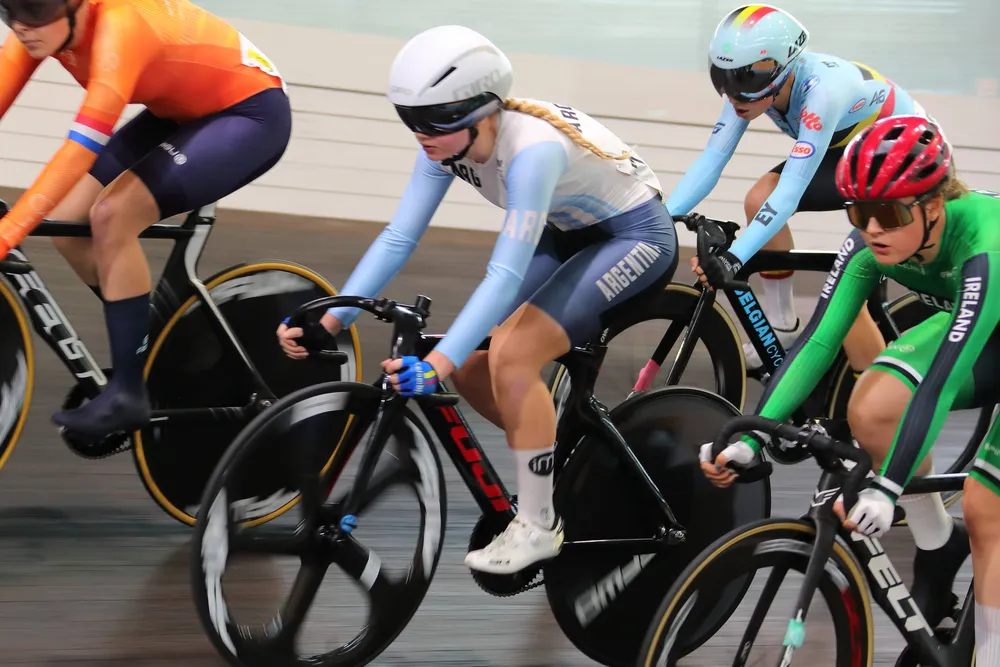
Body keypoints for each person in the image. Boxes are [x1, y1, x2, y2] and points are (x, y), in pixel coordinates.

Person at [277, 25, 677, 575]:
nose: (422, 135)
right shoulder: (444, 144)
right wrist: (331, 320)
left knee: (511, 357)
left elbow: (504, 274)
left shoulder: (531, 152)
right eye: (410, 119)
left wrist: (433, 365)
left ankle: (538, 525)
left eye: (435, 121)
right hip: (567, 232)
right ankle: (557, 453)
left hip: (634, 237)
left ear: (481, 111)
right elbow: (398, 237)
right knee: (470, 367)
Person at [699, 114, 1000, 654]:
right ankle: (937, 546)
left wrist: (888, 488)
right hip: (981, 326)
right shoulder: (867, 244)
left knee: (985, 508)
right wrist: (753, 435)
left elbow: (942, 380)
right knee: (872, 409)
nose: (873, 229)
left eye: (889, 213)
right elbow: (818, 341)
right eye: (859, 212)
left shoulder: (985, 243)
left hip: (983, 316)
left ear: (933, 206)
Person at [0, 0, 291, 438]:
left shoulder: (119, 26)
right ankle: (153, 344)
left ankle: (127, 395)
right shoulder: (38, 28)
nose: (22, 25)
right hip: (177, 111)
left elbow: (79, 150)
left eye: (35, 9)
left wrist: (7, 234)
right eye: (9, 10)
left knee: (113, 215)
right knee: (68, 222)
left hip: (248, 114)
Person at [676, 3, 939, 374]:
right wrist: (660, 220)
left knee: (847, 291)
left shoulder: (822, 93)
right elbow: (712, 160)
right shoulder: (750, 90)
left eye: (744, 82)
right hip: (853, 147)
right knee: (759, 198)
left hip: (904, 152)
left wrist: (735, 258)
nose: (734, 97)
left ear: (781, 70)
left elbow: (790, 192)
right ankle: (783, 324)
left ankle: (875, 391)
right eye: (724, 78)